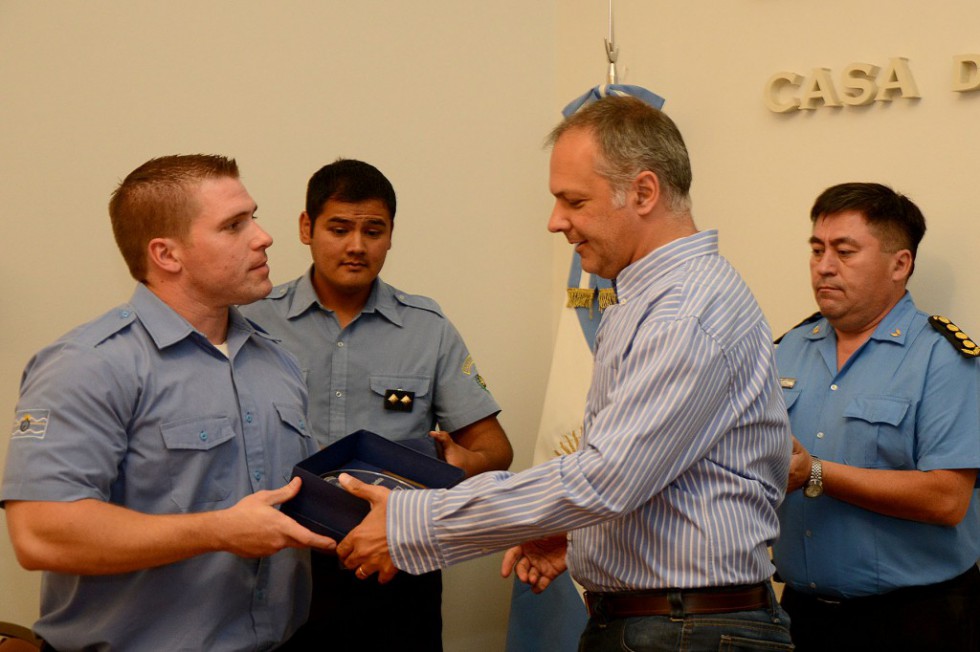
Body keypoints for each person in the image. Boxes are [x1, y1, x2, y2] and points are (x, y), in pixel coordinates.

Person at [334, 96, 795, 651]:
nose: (556, 223)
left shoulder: (683, 312)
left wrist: (418, 521)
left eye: (573, 201)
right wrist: (582, 536)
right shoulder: (648, 297)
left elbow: (607, 478)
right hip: (667, 623)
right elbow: (665, 480)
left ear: (644, 192)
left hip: (688, 631)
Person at [1, 155, 337, 651]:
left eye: (254, 216)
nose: (263, 236)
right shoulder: (88, 365)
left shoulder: (276, 361)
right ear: (167, 255)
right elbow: (41, 535)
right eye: (234, 225)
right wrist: (220, 531)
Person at [240, 158, 513, 650]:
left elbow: (495, 450)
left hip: (395, 563)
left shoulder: (426, 328)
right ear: (306, 228)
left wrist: (463, 462)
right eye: (339, 228)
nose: (356, 246)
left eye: (373, 230)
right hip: (282, 563)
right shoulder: (252, 322)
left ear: (391, 234)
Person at [771, 182, 980, 651]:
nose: (824, 266)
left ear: (899, 264)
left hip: (915, 620)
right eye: (817, 249)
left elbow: (948, 499)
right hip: (800, 615)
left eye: (845, 251)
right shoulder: (784, 351)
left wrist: (817, 473)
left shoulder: (942, 358)